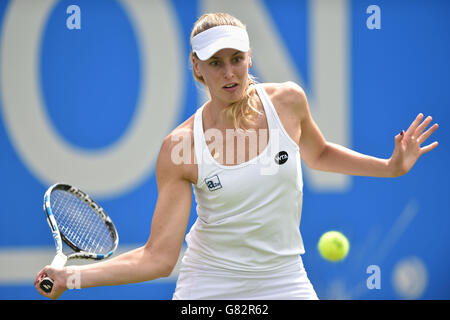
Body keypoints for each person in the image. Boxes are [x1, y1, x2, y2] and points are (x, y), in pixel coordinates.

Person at [35, 12, 439, 300]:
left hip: (284, 279)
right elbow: (158, 258)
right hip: (209, 285)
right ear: (197, 68)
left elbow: (318, 153)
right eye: (215, 63)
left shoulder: (288, 102)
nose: (229, 72)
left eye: (236, 59)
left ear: (250, 58)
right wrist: (73, 279)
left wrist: (389, 168)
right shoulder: (180, 148)